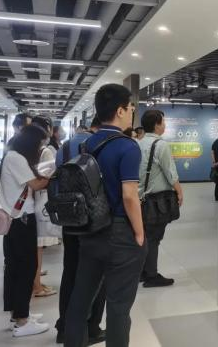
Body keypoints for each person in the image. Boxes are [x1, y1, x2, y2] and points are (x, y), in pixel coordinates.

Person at [64, 84, 146, 347]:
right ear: (120, 110)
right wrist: (140, 233)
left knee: (80, 300)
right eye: (131, 107)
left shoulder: (87, 144)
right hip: (120, 232)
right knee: (119, 307)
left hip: (91, 229)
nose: (132, 112)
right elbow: (129, 195)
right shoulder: (128, 146)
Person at [54, 123, 106, 345]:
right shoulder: (99, 146)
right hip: (94, 220)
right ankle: (91, 327)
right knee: (97, 276)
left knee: (70, 271)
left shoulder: (63, 148)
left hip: (69, 216)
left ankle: (64, 327)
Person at [0, 124, 51, 337]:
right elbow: (36, 185)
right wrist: (51, 174)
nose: (40, 148)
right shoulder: (17, 158)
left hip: (14, 219)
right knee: (26, 268)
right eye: (39, 144)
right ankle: (22, 321)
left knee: (15, 267)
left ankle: (18, 314)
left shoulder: (12, 156)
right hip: (22, 220)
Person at [137, 110, 184, 288]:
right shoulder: (161, 145)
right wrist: (179, 191)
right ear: (156, 125)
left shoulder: (138, 143)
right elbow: (170, 172)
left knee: (145, 236)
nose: (164, 125)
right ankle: (151, 275)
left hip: (140, 198)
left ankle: (142, 272)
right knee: (154, 237)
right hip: (156, 201)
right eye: (163, 122)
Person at [30, 115, 59, 298]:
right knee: (38, 246)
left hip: (30, 201)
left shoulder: (27, 150)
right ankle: (37, 286)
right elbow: (47, 177)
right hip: (41, 200)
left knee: (35, 246)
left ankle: (35, 281)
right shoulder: (45, 151)